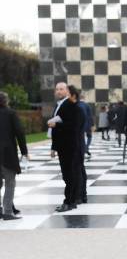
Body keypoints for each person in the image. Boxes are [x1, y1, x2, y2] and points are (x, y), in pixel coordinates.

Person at [48, 81, 82, 211]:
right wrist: (53, 147)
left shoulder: (70, 105)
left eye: (61, 89)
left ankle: (69, 201)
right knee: (67, 175)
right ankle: (71, 200)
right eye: (57, 89)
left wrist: (57, 125)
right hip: (63, 146)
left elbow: (74, 126)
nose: (59, 91)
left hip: (69, 147)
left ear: (67, 91)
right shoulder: (59, 106)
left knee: (69, 175)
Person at [0, 91, 29, 220]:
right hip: (7, 154)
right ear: (6, 101)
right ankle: (7, 211)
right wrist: (24, 151)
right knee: (10, 183)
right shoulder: (11, 113)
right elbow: (19, 133)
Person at [68, 85, 88, 204]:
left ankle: (79, 196)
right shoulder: (78, 107)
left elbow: (78, 128)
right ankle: (80, 195)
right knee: (78, 170)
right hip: (76, 143)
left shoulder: (78, 108)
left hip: (77, 144)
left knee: (78, 170)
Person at [79, 93, 94, 158]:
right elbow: (90, 116)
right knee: (89, 136)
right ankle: (86, 147)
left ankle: (84, 148)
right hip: (87, 124)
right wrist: (92, 125)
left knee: (81, 138)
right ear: (84, 98)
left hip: (79, 125)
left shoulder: (77, 105)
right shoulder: (87, 105)